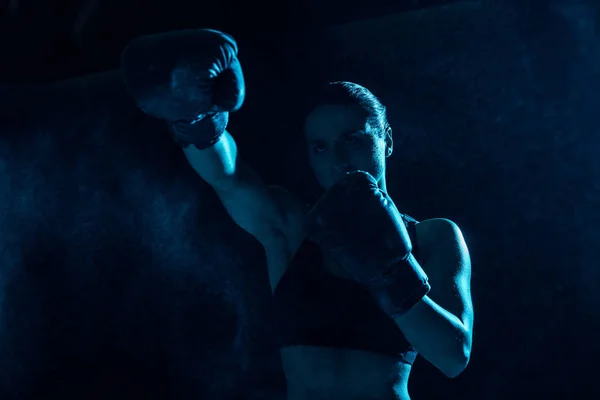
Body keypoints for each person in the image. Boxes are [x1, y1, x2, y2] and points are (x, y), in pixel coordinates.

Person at [121, 29, 474, 400]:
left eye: (352, 140)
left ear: (386, 139)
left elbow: (454, 356)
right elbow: (228, 178)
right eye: (320, 147)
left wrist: (393, 271)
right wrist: (197, 116)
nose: (337, 160)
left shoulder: (433, 236)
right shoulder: (291, 227)